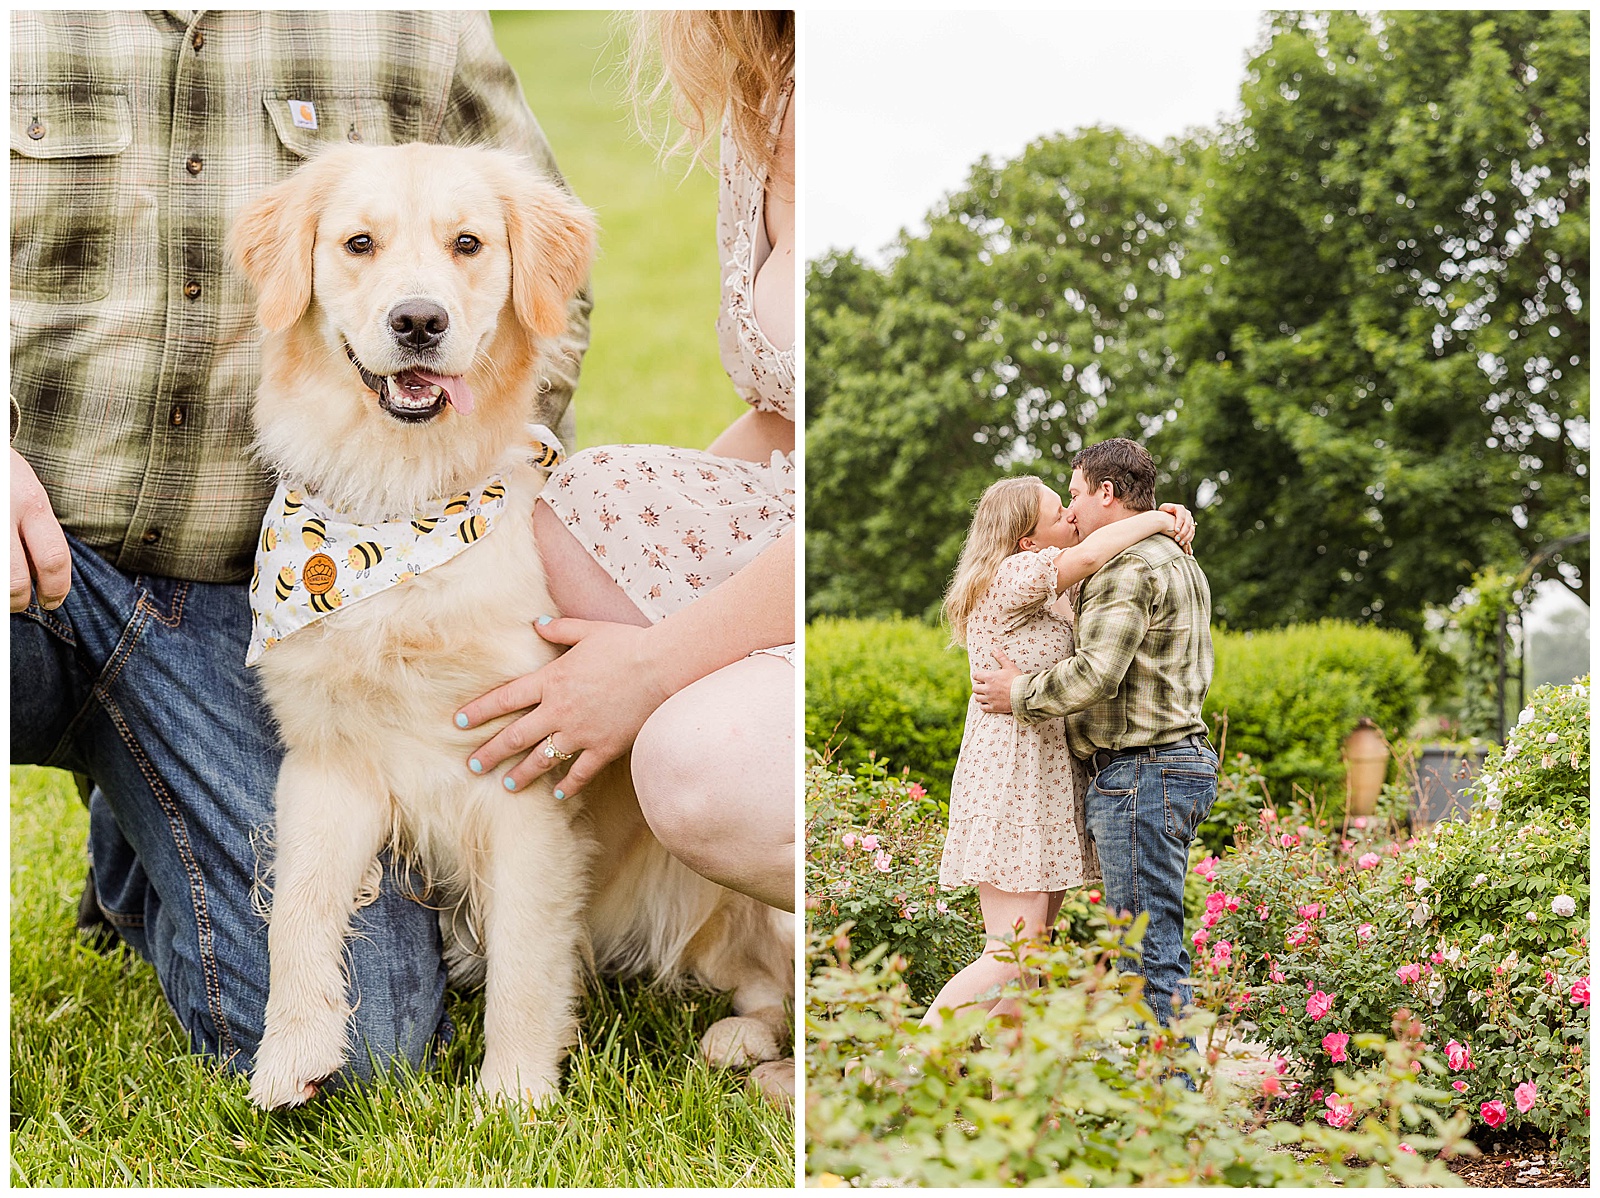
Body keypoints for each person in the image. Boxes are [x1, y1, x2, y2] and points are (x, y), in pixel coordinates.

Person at [10, 11, 590, 1084]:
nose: (413, 296)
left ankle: (150, 827)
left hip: (240, 592)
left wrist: (484, 467)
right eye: (360, 246)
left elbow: (549, 293)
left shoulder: (419, 23)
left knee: (367, 1050)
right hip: (27, 549)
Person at [453, 8, 796, 1101]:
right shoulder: (767, 105)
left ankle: (813, 990)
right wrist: (624, 552)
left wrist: (652, 665)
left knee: (696, 766)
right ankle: (537, 920)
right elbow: (782, 428)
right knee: (535, 531)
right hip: (781, 537)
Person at [925, 476, 1193, 1026]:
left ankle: (1013, 1112)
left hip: (1046, 777)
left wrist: (1160, 510)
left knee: (1030, 971)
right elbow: (1096, 547)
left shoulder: (1054, 595)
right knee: (1010, 956)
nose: (1072, 516)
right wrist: (1162, 519)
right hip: (1012, 775)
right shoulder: (1012, 576)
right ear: (1027, 541)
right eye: (1058, 513)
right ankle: (904, 1071)